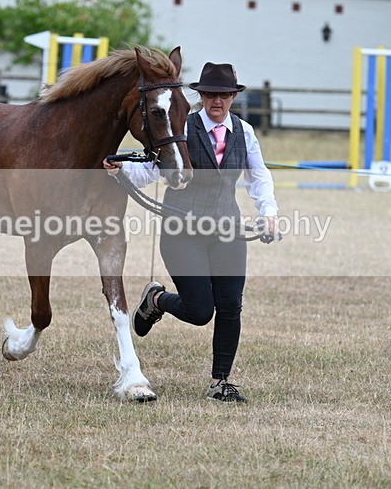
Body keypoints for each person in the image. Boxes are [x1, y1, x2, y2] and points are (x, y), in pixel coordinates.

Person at [103, 62, 280, 403]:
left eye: (224, 95)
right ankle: (156, 300)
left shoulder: (244, 132)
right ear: (201, 96)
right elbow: (151, 171)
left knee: (230, 305)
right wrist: (122, 169)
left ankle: (220, 382)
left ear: (233, 97)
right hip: (182, 231)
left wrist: (269, 212)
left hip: (227, 229)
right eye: (211, 94)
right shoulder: (182, 126)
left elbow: (258, 176)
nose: (217, 101)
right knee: (200, 311)